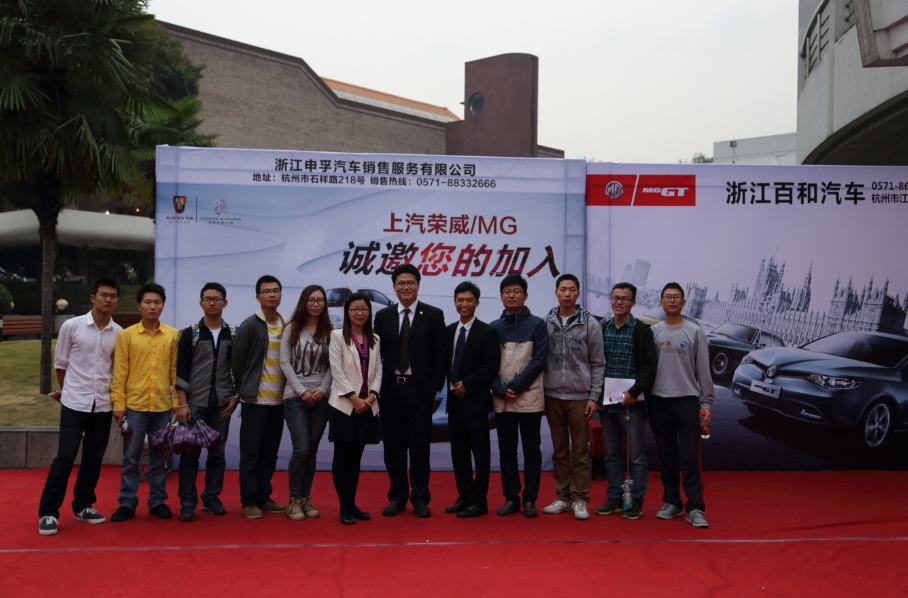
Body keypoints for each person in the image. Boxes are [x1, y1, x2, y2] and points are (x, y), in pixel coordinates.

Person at [38, 278, 123, 535]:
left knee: (93, 458)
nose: (108, 300)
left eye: (113, 296)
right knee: (65, 457)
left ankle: (83, 505)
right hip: (74, 402)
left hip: (103, 403)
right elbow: (60, 364)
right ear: (93, 298)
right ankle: (48, 513)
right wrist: (67, 392)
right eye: (104, 295)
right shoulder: (72, 326)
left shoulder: (119, 332)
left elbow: (116, 368)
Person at [373, 263, 446, 518]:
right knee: (393, 448)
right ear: (394, 287)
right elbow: (376, 355)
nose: (406, 287)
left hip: (419, 391)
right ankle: (397, 497)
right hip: (391, 390)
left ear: (418, 285)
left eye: (410, 283)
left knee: (419, 448)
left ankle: (420, 498)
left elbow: (440, 355)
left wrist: (432, 387)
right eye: (401, 283)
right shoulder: (383, 317)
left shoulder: (433, 314)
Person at [110, 283, 180, 522]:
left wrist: (176, 403)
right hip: (134, 406)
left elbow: (174, 372)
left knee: (160, 458)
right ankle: (127, 502)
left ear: (163, 306)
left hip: (162, 406)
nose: (152, 306)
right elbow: (119, 372)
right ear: (139, 305)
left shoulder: (172, 335)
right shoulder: (126, 335)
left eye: (157, 302)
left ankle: (157, 501)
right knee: (131, 458)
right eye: (148, 302)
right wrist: (119, 405)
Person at [649, 282, 714, 528]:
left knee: (689, 458)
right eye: (668, 297)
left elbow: (703, 371)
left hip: (687, 401)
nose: (672, 300)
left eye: (676, 297)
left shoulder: (695, 332)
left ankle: (695, 507)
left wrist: (706, 403)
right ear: (661, 302)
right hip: (658, 402)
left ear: (684, 302)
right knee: (667, 458)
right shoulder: (653, 332)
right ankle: (672, 502)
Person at [541, 274, 604, 521]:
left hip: (580, 397)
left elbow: (598, 363)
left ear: (578, 293)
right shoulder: (546, 321)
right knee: (559, 451)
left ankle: (580, 498)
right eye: (563, 289)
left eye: (572, 289)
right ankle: (563, 496)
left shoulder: (590, 323)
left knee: (580, 451)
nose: (567, 294)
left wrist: (593, 396)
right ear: (556, 293)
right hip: (552, 395)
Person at [174, 282, 238, 522]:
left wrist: (235, 395)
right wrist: (182, 403)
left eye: (217, 299)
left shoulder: (233, 334)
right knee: (190, 454)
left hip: (222, 404)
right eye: (208, 299)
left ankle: (211, 498)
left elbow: (239, 369)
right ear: (201, 303)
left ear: (225, 303)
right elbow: (181, 370)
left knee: (217, 453)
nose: (212, 303)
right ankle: (187, 502)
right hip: (195, 403)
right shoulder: (190, 334)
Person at [595, 282, 657, 520]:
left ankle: (636, 501)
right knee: (611, 454)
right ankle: (614, 497)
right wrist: (597, 394)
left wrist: (634, 392)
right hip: (607, 402)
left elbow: (649, 366)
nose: (619, 302)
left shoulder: (641, 330)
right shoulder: (602, 328)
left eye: (624, 298)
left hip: (633, 402)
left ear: (633, 302)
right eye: (615, 298)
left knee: (636, 456)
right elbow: (595, 364)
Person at [490, 274, 548, 518]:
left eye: (516, 291)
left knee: (532, 450)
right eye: (507, 292)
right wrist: (500, 388)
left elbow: (539, 360)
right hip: (502, 399)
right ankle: (511, 498)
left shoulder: (537, 325)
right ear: (501, 296)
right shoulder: (493, 327)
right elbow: (488, 364)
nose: (511, 296)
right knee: (507, 450)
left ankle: (530, 499)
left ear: (525, 295)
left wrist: (516, 386)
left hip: (529, 398)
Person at [232, 275, 288, 519]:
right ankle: (249, 501)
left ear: (281, 295)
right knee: (251, 454)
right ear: (258, 297)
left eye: (275, 290)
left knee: (270, 454)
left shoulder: (287, 324)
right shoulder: (250, 325)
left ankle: (264, 497)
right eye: (266, 291)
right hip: (255, 401)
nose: (271, 295)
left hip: (280, 401)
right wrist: (243, 389)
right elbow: (237, 362)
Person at [444, 282, 500, 519]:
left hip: (476, 402)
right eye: (460, 300)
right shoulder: (449, 331)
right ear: (455, 302)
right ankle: (465, 496)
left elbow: (490, 367)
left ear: (477, 302)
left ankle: (479, 501)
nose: (464, 304)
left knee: (480, 454)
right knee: (459, 454)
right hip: (454, 403)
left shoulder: (487, 332)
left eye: (469, 300)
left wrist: (468, 384)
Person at [328, 292, 382, 525]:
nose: (359, 313)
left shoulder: (375, 339)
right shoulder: (337, 336)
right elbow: (336, 370)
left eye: (364, 309)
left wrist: (371, 398)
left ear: (369, 312)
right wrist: (353, 398)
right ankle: (344, 506)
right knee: (343, 457)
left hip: (367, 406)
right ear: (347, 312)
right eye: (354, 309)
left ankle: (352, 503)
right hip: (344, 406)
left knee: (356, 458)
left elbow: (378, 371)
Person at [280, 285, 333, 521]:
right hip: (295, 397)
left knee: (311, 449)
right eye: (311, 300)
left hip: (321, 398)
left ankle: (305, 498)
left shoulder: (330, 331)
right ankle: (293, 499)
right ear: (304, 302)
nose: (315, 304)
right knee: (301, 448)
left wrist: (322, 390)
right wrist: (302, 391)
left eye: (319, 300)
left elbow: (333, 365)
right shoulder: (291, 328)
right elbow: (284, 363)